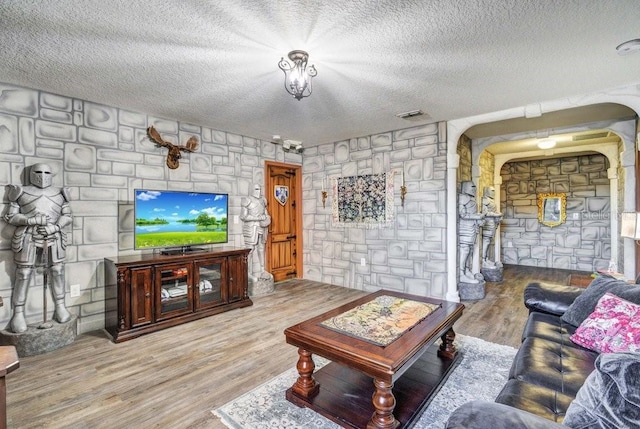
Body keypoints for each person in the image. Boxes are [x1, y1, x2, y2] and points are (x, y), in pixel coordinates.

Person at [4, 163, 73, 333]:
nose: (42, 176)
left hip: (53, 235)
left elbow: (67, 215)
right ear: (32, 174)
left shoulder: (59, 193)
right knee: (23, 273)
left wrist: (55, 227)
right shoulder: (21, 192)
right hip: (28, 234)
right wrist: (30, 220)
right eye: (38, 172)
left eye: (46, 172)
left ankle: (60, 307)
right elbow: (10, 216)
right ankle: (18, 313)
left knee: (57, 270)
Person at [240, 184, 271, 280]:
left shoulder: (263, 200)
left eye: (260, 189)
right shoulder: (247, 200)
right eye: (256, 189)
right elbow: (243, 216)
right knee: (250, 250)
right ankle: (248, 273)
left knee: (261, 248)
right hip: (251, 228)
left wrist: (267, 219)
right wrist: (257, 218)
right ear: (252, 189)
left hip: (261, 227)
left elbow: (265, 213)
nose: (259, 191)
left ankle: (262, 270)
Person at [458, 181, 484, 283]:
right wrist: (477, 216)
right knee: (465, 250)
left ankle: (467, 270)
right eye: (472, 186)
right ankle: (461, 273)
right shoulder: (463, 198)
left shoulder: (472, 199)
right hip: (465, 228)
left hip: (472, 227)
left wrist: (479, 220)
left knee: (470, 249)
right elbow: (463, 215)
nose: (474, 188)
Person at [481, 186, 503, 268]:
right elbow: (485, 213)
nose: (493, 193)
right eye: (492, 191)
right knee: (486, 241)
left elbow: (493, 211)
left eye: (494, 191)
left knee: (489, 241)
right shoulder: (485, 200)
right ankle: (483, 260)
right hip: (488, 222)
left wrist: (498, 214)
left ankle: (486, 259)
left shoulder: (491, 200)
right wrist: (496, 214)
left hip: (493, 222)